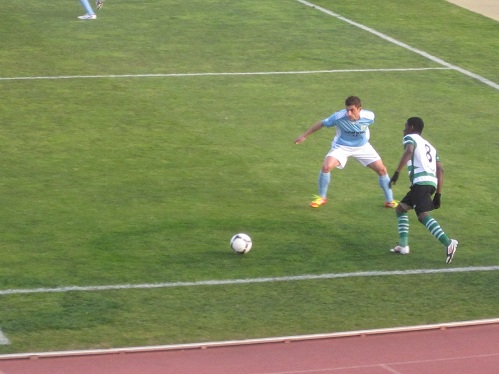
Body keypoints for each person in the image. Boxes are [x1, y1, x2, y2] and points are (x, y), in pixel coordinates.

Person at [294, 96, 397, 208]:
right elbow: (322, 123)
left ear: (359, 109)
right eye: (347, 110)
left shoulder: (369, 116)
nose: (348, 113)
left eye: (352, 110)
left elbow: (365, 127)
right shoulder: (338, 117)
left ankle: (389, 201)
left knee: (382, 170)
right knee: (326, 167)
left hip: (362, 147)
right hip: (342, 146)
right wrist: (304, 136)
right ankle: (322, 198)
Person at [389, 116, 458, 263]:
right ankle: (403, 246)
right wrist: (438, 194)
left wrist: (396, 172)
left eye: (405, 126)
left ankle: (449, 243)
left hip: (420, 183)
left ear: (412, 128)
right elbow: (440, 169)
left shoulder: (410, 138)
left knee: (422, 215)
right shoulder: (431, 147)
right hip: (430, 183)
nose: (404, 129)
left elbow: (409, 151)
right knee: (400, 209)